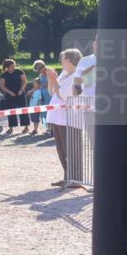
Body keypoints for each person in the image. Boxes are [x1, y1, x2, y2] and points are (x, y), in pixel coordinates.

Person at [45, 48, 83, 187]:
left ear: (68, 60)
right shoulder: (65, 73)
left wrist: (54, 80)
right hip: (57, 117)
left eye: (63, 58)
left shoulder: (77, 76)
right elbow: (52, 92)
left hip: (70, 119)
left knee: (72, 149)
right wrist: (51, 79)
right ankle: (67, 176)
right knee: (62, 150)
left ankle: (76, 179)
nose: (61, 61)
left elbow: (65, 96)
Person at [0, 59, 29, 135]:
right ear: (7, 67)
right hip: (9, 95)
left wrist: (21, 90)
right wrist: (10, 92)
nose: (13, 67)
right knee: (11, 111)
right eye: (12, 66)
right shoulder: (4, 75)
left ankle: (26, 127)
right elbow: (2, 85)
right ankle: (11, 128)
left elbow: (25, 81)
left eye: (14, 66)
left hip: (20, 93)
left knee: (23, 110)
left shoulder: (19, 72)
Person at [28, 60, 50, 135]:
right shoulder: (41, 75)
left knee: (50, 112)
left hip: (50, 95)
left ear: (42, 67)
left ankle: (51, 128)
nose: (38, 72)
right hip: (42, 95)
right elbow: (38, 85)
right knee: (43, 112)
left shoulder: (50, 72)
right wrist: (32, 90)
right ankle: (46, 128)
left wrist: (43, 86)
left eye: (38, 70)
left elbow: (53, 83)